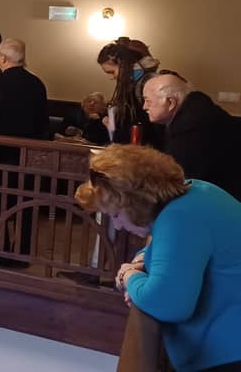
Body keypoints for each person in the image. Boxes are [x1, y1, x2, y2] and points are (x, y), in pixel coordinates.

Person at [75, 145, 241, 372]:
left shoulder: (179, 218)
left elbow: (167, 304)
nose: (118, 225)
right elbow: (161, 250)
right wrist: (140, 263)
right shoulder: (197, 192)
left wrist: (128, 276)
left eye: (116, 215)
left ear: (135, 203)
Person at [0, 38, 48, 266]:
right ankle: (22, 254)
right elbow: (43, 122)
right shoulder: (37, 84)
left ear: (2, 58)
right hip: (29, 155)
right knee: (25, 205)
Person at [143, 73, 241, 200]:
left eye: (148, 101)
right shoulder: (196, 107)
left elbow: (175, 184)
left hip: (226, 199)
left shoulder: (190, 129)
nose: (144, 107)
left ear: (170, 103)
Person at [98, 37, 160, 144]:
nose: (113, 77)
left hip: (145, 147)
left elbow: (150, 123)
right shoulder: (132, 84)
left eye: (112, 72)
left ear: (123, 64)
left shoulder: (147, 84)